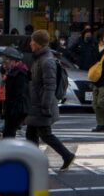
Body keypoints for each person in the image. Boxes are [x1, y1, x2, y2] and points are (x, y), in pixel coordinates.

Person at [25, 31, 75, 171]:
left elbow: (50, 86)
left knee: (45, 134)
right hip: (37, 103)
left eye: (33, 41)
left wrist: (45, 106)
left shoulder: (47, 61)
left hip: (42, 104)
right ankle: (33, 162)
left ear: (38, 44)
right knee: (31, 134)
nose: (30, 43)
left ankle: (67, 155)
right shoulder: (39, 58)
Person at [0, 50, 31, 140]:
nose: (4, 63)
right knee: (8, 133)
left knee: (9, 134)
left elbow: (20, 93)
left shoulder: (20, 73)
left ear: (13, 61)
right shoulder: (10, 72)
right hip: (11, 108)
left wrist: (15, 111)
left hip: (16, 109)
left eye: (6, 60)